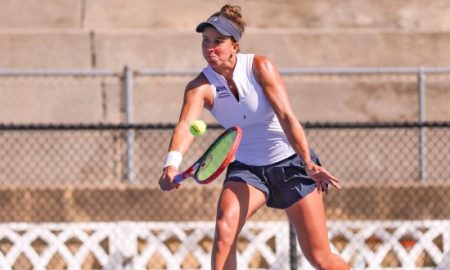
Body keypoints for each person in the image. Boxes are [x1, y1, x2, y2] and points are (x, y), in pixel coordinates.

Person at [159, 4, 349, 270]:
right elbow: (185, 126)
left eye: (218, 42)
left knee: (320, 258)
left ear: (235, 45)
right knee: (224, 229)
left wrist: (307, 161)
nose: (210, 48)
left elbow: (286, 116)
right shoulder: (199, 87)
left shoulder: (260, 67)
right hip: (247, 169)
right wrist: (171, 165)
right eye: (205, 41)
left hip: (291, 163)